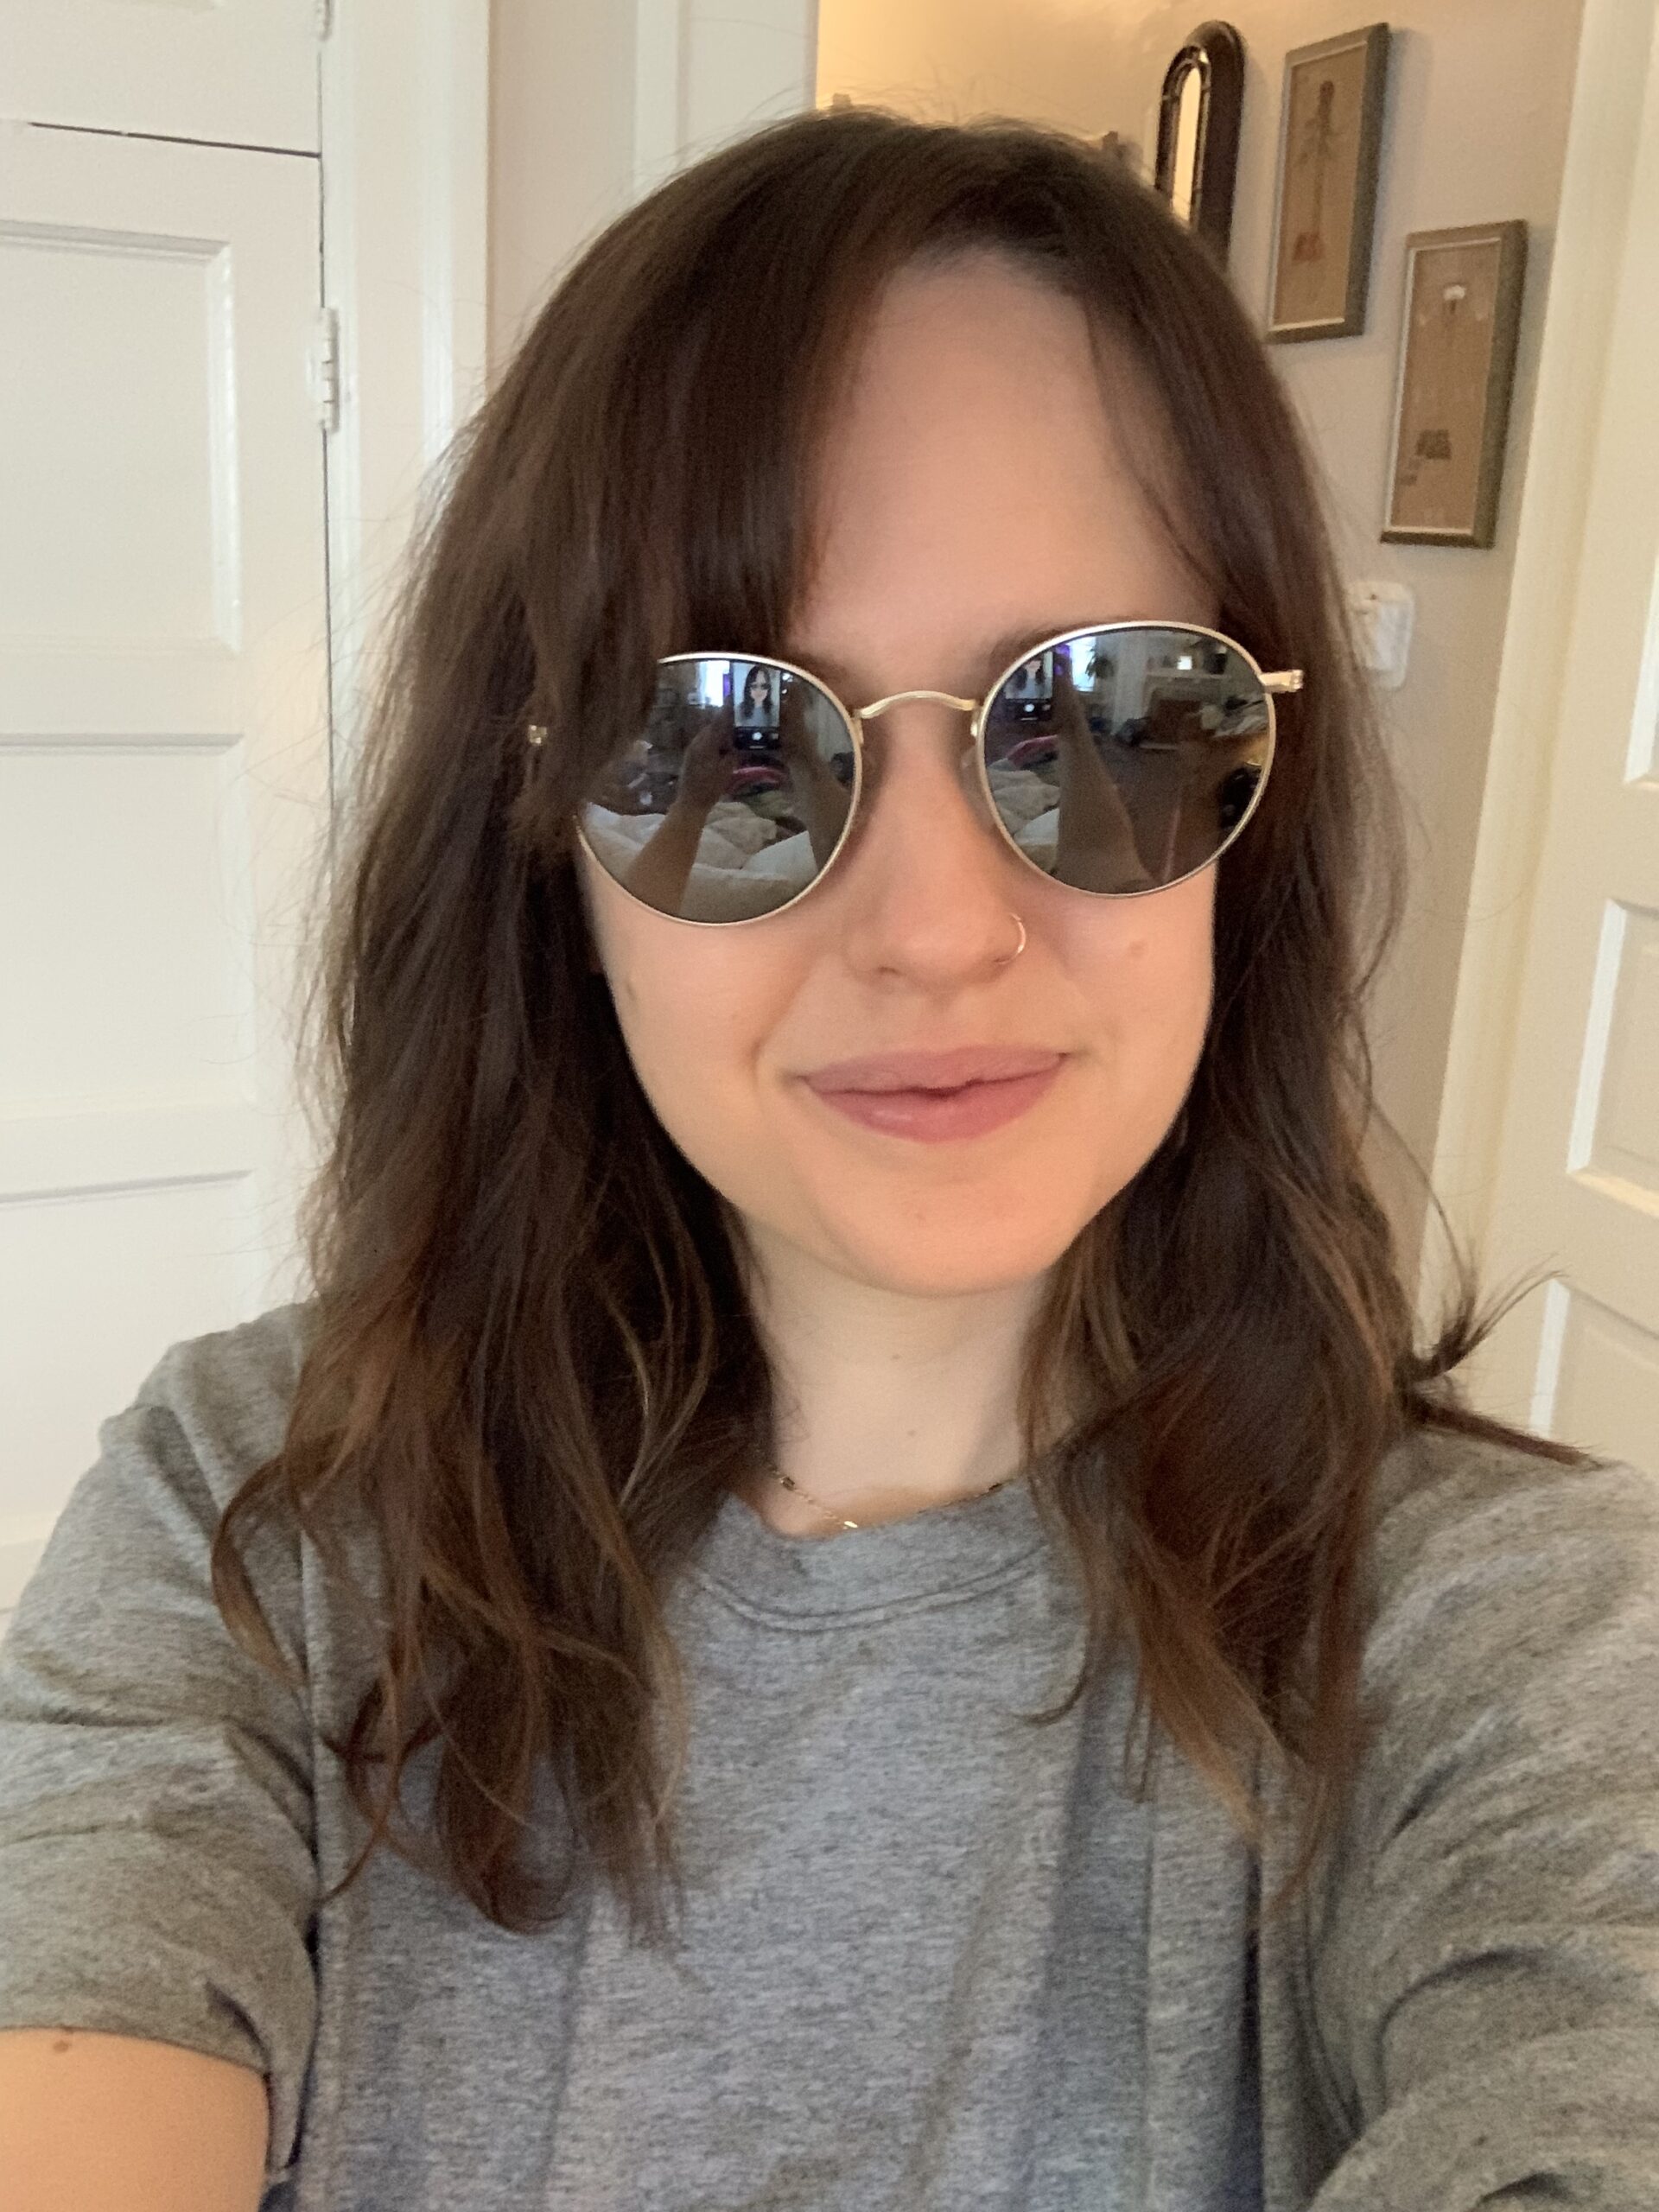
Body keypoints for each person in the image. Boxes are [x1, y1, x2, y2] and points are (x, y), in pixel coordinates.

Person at [1, 105, 1656, 2212]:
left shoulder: (1510, 1636)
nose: (941, 927)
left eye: (1109, 722)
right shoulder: (254, 1532)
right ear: (546, 839)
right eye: (725, 748)